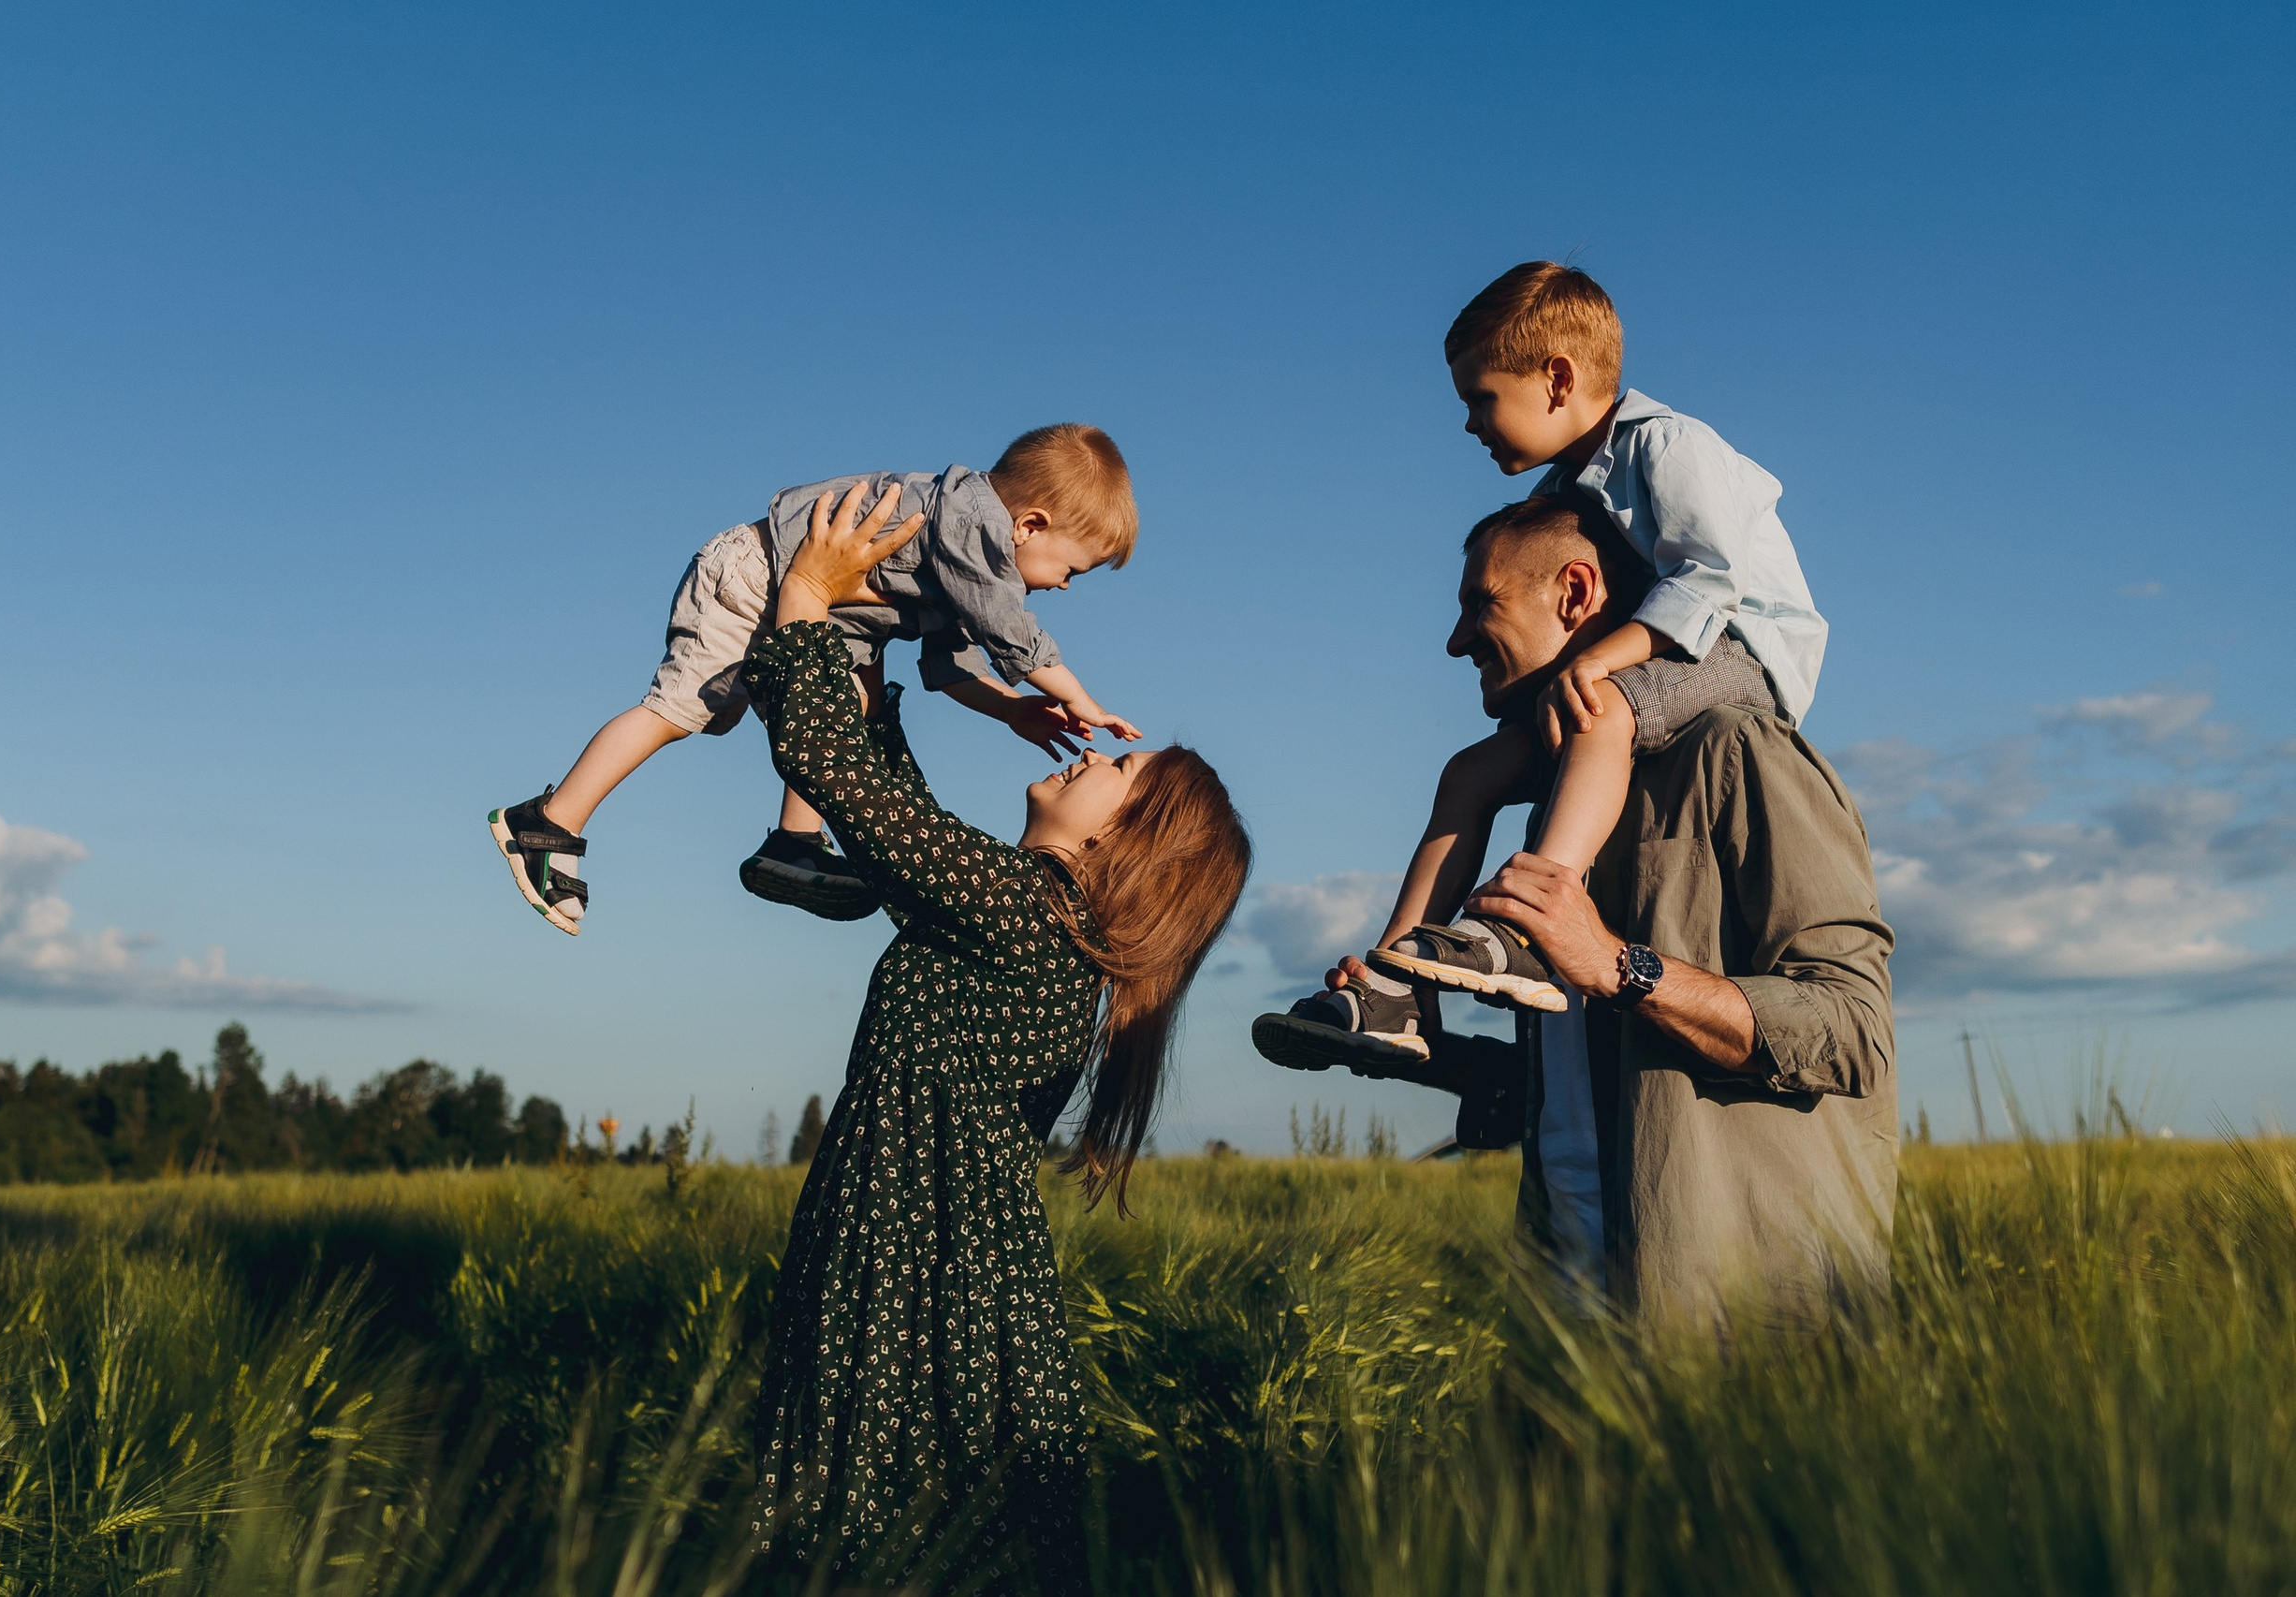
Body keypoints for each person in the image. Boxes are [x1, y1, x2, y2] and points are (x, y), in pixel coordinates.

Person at [740, 481, 1250, 1591]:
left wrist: (804, 599)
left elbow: (838, 779)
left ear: (1124, 850)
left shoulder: (1021, 913)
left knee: (863, 1524)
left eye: (1120, 770)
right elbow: (897, 817)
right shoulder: (1033, 919)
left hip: (904, 1251)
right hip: (946, 1254)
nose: (1092, 752)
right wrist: (877, 678)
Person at [1257, 500, 1894, 1325]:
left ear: (1575, 591)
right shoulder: (1554, 807)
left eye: (1481, 604)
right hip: (1569, 1316)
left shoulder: (1742, 753)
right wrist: (1431, 1053)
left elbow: (1852, 1035)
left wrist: (1618, 966)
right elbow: (1595, 1087)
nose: (1455, 642)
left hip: (1737, 1325)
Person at [1315, 261, 1829, 1035]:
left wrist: (1598, 659)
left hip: (1740, 651)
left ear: (1557, 378)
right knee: (1474, 770)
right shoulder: (1556, 496)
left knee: (1603, 705)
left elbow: (1711, 577)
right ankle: (1396, 984)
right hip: (1653, 660)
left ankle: (1525, 927)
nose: (1469, 424)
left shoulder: (1667, 444)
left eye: (1481, 398)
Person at [487, 423, 1145, 933]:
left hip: (810, 604)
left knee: (844, 716)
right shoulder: (974, 531)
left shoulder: (965, 569)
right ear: (1030, 524)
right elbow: (1013, 633)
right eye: (1072, 570)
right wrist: (1080, 698)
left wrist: (1011, 711)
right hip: (758, 573)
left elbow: (950, 667)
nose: (1062, 586)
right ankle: (545, 822)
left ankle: (795, 843)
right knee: (679, 711)